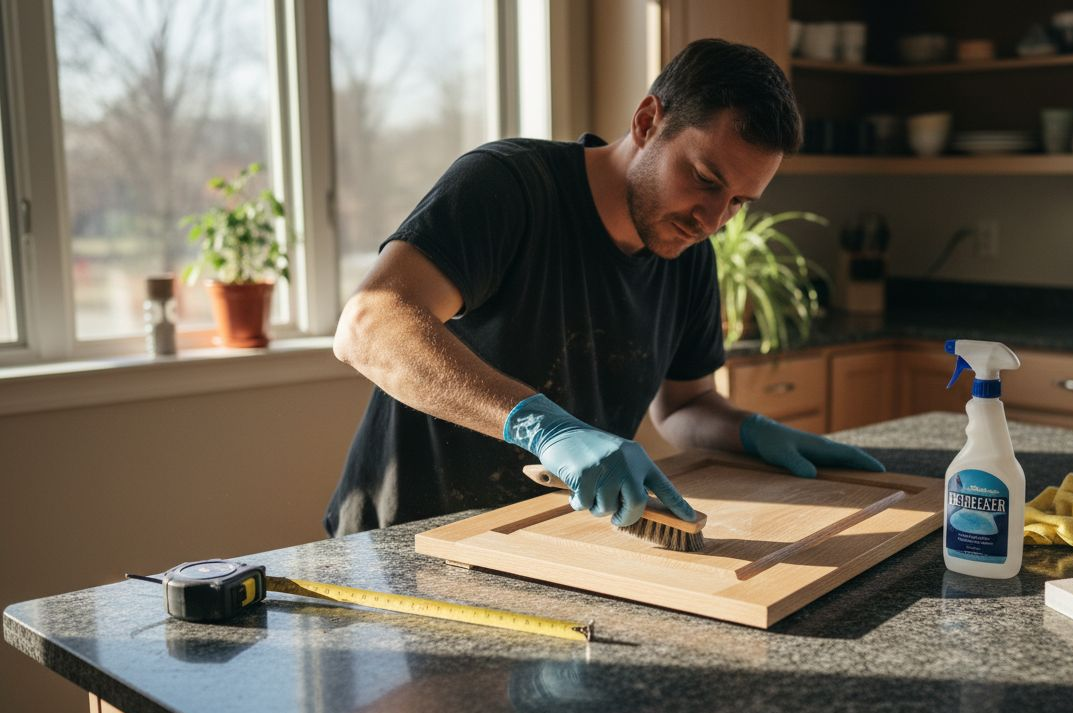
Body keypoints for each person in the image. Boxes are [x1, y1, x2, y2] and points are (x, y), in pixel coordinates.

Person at [326, 38, 884, 536]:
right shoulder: (508, 186)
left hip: (544, 542)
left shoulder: (689, 256)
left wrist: (752, 433)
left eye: (738, 201)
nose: (712, 220)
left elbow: (685, 405)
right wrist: (542, 428)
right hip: (404, 542)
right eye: (704, 179)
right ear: (647, 121)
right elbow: (368, 328)